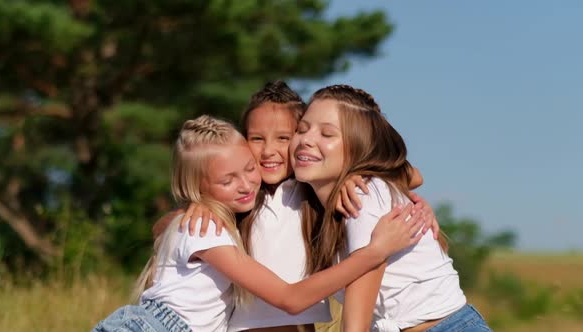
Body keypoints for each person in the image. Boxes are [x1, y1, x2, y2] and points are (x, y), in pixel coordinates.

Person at [92, 115, 427, 332]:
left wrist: (352, 174)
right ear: (199, 187)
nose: (245, 184)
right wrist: (373, 252)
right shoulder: (203, 226)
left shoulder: (243, 208)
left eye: (249, 169)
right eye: (227, 180)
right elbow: (290, 299)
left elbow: (411, 174)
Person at [290, 84, 492, 332]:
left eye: (327, 134)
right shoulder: (329, 209)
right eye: (301, 129)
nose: (306, 140)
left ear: (358, 148)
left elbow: (356, 324)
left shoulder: (364, 196)